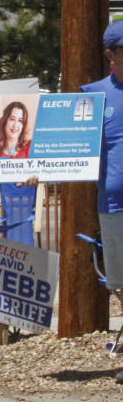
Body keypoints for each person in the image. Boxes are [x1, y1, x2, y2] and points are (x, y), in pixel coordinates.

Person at [81, 20, 123, 349]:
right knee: (120, 282)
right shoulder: (91, 95)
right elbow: (69, 147)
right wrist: (39, 171)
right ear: (110, 54)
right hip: (112, 204)